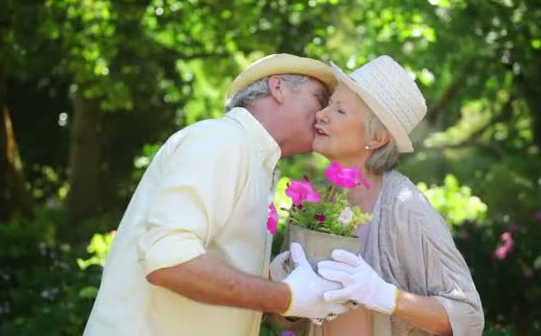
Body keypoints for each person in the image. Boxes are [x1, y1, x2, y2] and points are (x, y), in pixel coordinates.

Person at [83, 54, 351, 336]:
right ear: (278, 87)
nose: (325, 114)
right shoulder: (222, 140)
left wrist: (277, 282)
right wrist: (287, 296)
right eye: (320, 99)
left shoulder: (255, 161)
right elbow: (169, 262)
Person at [271, 56, 484, 335]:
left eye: (340, 110)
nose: (322, 114)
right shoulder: (313, 201)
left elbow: (469, 318)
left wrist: (385, 296)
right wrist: (281, 290)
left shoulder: (406, 208)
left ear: (378, 138)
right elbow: (291, 324)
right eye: (328, 104)